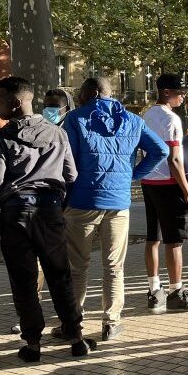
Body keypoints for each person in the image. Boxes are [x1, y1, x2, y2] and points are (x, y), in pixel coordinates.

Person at [0, 76, 95, 361]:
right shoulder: (58, 133)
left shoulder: (1, 137)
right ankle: (76, 337)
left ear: (16, 102)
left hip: (15, 214)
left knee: (24, 281)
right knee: (60, 276)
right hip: (50, 210)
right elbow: (71, 174)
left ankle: (33, 344)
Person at [64, 77, 168, 341]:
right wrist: (132, 176)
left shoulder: (76, 118)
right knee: (114, 267)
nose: (78, 99)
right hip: (119, 203)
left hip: (82, 202)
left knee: (77, 267)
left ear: (93, 93)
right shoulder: (134, 120)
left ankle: (73, 323)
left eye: (81, 94)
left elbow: (69, 163)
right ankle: (111, 322)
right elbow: (161, 151)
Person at [142, 73, 188, 314]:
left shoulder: (146, 115)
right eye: (180, 91)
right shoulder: (171, 119)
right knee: (174, 241)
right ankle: (176, 291)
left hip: (149, 181)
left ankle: (154, 291)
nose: (183, 95)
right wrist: (187, 189)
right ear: (166, 92)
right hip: (169, 183)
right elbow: (174, 158)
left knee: (153, 238)